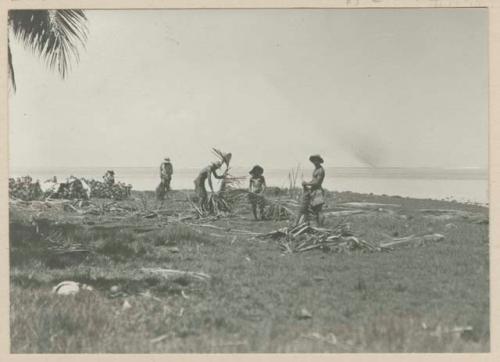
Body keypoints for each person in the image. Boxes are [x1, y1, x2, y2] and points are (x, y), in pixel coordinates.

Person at [296, 154, 326, 226]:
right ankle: (317, 225)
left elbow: (317, 182)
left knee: (318, 210)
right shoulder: (316, 169)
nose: (314, 162)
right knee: (314, 210)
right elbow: (313, 180)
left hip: (318, 191)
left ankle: (321, 226)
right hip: (313, 191)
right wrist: (307, 184)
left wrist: (307, 183)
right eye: (314, 160)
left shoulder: (320, 170)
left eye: (316, 160)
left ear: (319, 161)